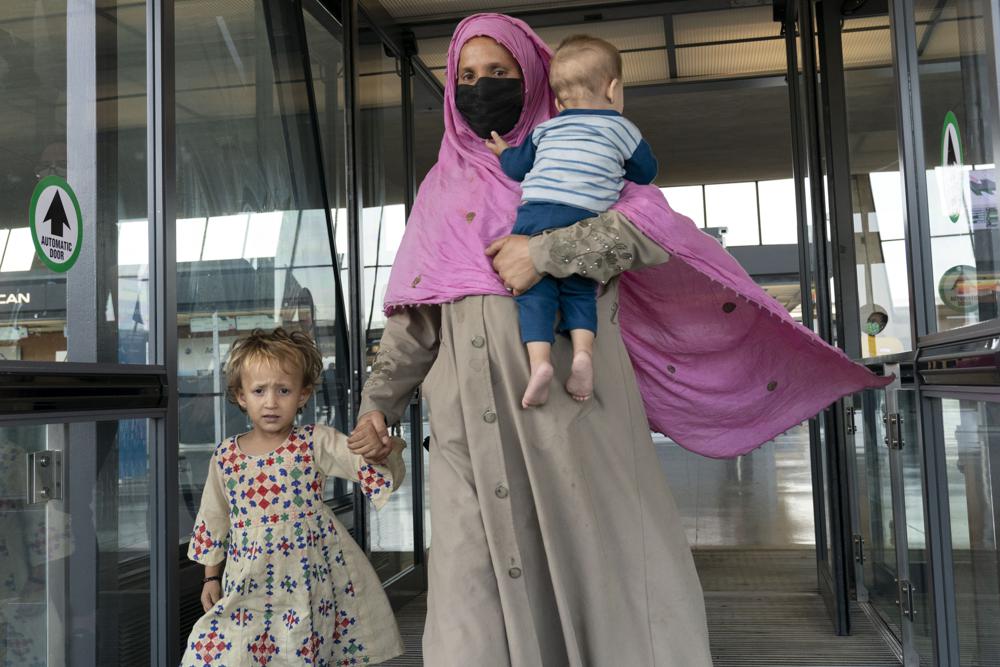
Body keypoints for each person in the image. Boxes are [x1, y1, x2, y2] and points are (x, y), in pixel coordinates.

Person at [347, 12, 888, 667]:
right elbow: (416, 320)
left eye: (498, 73)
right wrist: (380, 402)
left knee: (608, 591)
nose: (480, 87)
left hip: (575, 424)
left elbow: (651, 232)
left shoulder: (582, 158)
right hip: (468, 440)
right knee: (469, 611)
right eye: (465, 75)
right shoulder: (440, 191)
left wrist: (546, 250)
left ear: (536, 77)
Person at [181, 328, 405, 667]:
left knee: (296, 650)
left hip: (304, 580)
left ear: (303, 395)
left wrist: (378, 450)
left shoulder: (314, 442)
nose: (271, 402)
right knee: (220, 647)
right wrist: (211, 576)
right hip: (245, 581)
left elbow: (363, 462)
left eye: (283, 390)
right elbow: (214, 518)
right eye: (259, 391)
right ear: (241, 396)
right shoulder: (226, 455)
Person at [486, 34, 657, 408]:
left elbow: (517, 168)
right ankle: (582, 355)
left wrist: (503, 152)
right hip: (584, 220)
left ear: (559, 100)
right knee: (581, 289)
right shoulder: (622, 129)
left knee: (534, 293)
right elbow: (646, 172)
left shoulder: (546, 129)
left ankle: (541, 364)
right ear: (613, 89)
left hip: (536, 215)